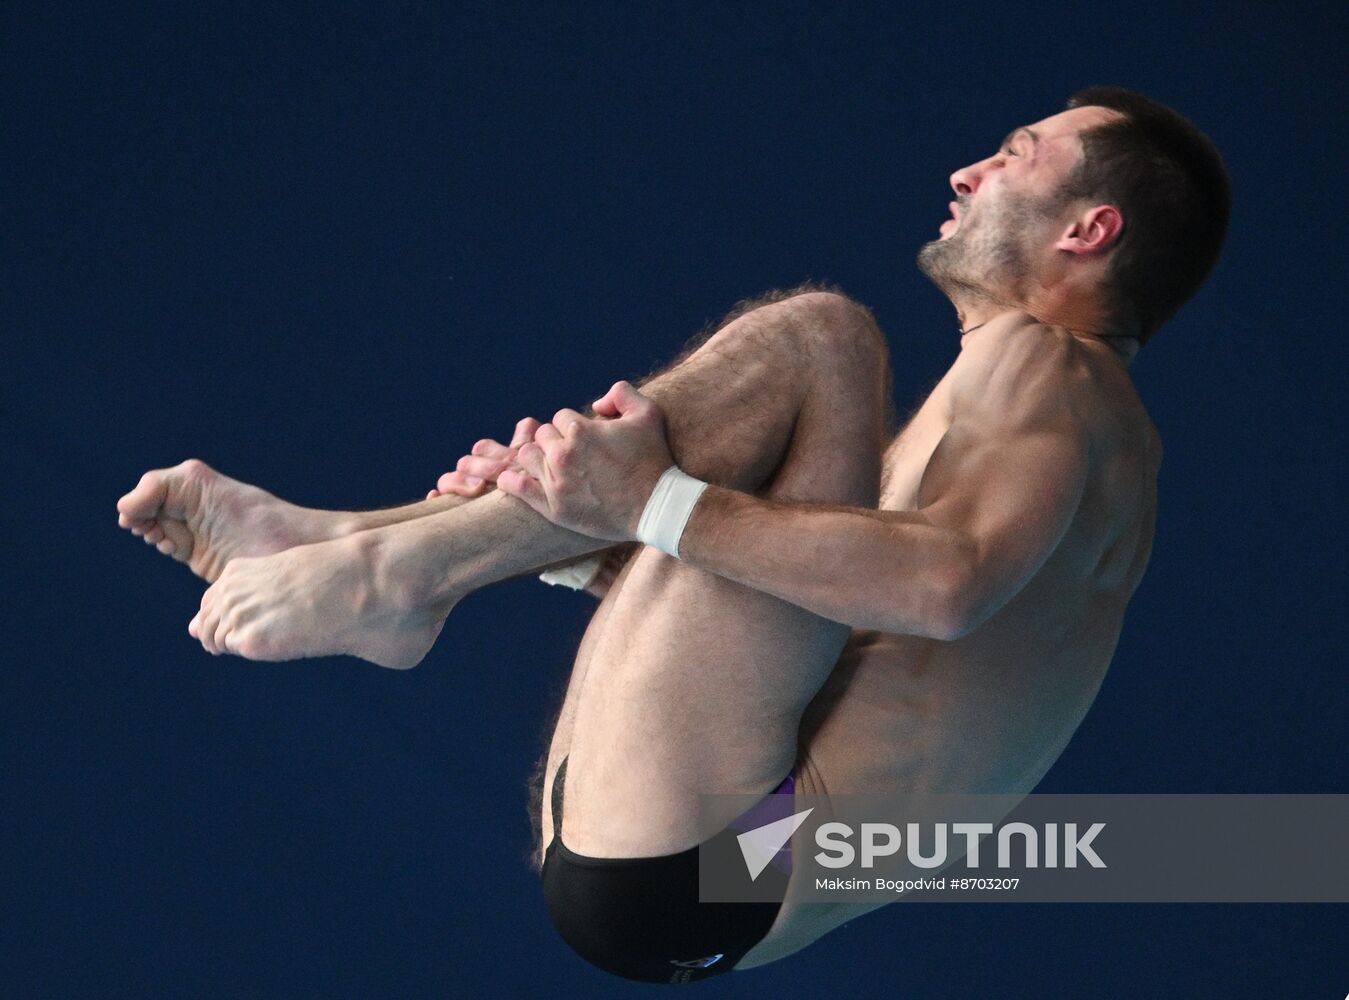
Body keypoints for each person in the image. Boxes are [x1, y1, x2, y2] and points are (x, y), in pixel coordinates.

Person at [115, 85, 1230, 982]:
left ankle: (392, 570)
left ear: (1088, 231)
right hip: (698, 868)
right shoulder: (1055, 426)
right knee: (690, 488)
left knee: (823, 340)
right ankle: (353, 542)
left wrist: (646, 506)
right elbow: (845, 630)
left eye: (1015, 153)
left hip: (731, 850)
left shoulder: (1054, 368)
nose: (967, 171)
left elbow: (944, 586)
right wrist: (602, 548)